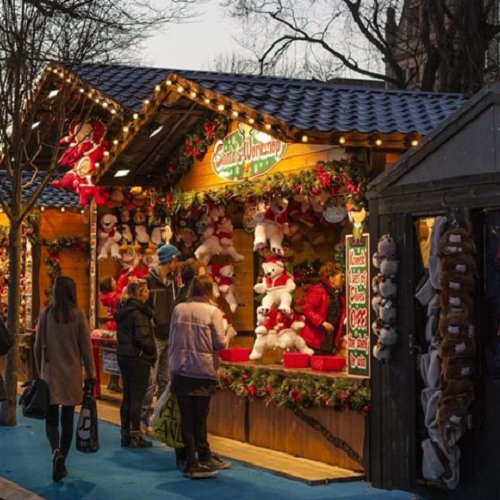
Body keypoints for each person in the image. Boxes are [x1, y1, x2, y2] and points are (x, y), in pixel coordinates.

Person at [34, 276, 96, 483]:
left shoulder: (45, 314)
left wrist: (40, 370)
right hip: (71, 375)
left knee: (51, 420)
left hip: (50, 374)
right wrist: (91, 375)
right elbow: (86, 350)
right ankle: (63, 460)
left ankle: (56, 452)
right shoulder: (78, 316)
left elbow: (37, 346)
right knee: (67, 420)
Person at [169, 274, 229, 479]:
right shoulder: (213, 312)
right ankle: (199, 460)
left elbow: (171, 338)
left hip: (180, 369)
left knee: (186, 419)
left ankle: (190, 462)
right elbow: (221, 344)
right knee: (199, 418)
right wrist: (229, 333)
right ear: (208, 290)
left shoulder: (179, 309)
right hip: (202, 371)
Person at [141, 242, 180, 431]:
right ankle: (142, 419)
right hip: (156, 335)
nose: (177, 263)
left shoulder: (173, 282)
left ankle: (159, 420)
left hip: (170, 334)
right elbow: (144, 305)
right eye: (175, 259)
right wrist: (153, 319)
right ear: (169, 260)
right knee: (150, 378)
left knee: (165, 379)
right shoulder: (149, 280)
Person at [115, 278, 157, 449]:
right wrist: (151, 352)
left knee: (128, 396)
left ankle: (125, 433)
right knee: (137, 398)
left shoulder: (124, 309)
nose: (148, 294)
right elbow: (143, 338)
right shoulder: (139, 312)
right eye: (146, 291)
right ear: (139, 293)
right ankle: (135, 435)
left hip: (124, 355)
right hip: (137, 357)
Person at [302, 262, 346, 355]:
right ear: (331, 278)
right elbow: (307, 309)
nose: (342, 279)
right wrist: (322, 322)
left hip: (330, 339)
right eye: (340, 277)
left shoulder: (339, 295)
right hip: (316, 339)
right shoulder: (318, 290)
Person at [99, 276, 122, 393]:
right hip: (116, 327)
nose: (115, 282)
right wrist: (123, 278)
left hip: (110, 326)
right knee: (116, 356)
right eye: (113, 281)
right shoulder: (114, 296)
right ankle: (113, 382)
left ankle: (112, 381)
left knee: (113, 356)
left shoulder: (105, 297)